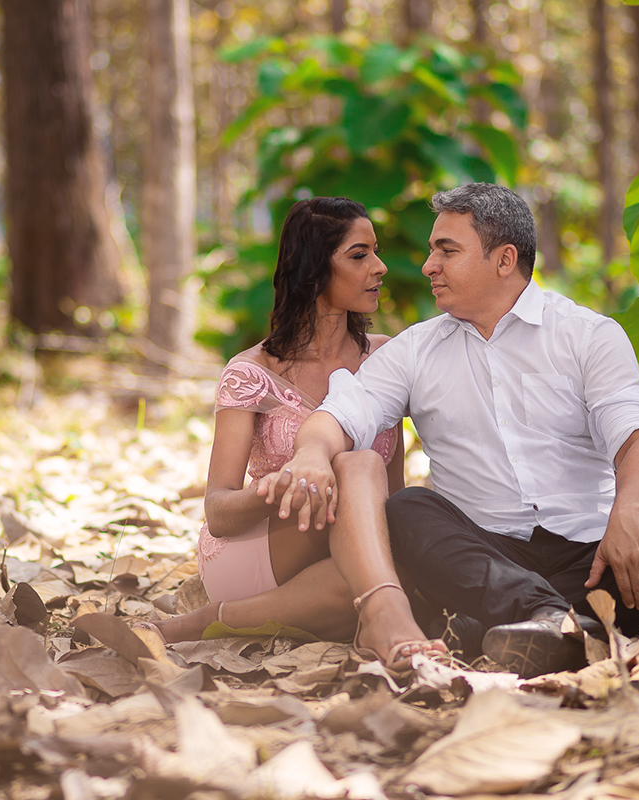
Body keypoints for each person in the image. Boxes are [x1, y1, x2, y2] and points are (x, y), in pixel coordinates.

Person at [258, 183, 639, 678]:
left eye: (447, 250)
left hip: (592, 553)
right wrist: (310, 453)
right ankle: (557, 621)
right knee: (407, 510)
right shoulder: (416, 349)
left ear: (504, 260)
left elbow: (637, 437)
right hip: (479, 556)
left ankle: (512, 625)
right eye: (433, 249)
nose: (427, 266)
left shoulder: (588, 334)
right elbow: (342, 412)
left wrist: (629, 511)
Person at [142, 196, 446, 669]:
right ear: (313, 269)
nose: (381, 267)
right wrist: (284, 487)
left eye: (376, 251)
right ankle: (374, 609)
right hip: (259, 550)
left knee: (383, 568)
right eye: (359, 255)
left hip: (350, 559)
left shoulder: (385, 361)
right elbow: (219, 512)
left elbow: (392, 495)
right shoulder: (251, 373)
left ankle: (215, 622)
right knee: (356, 461)